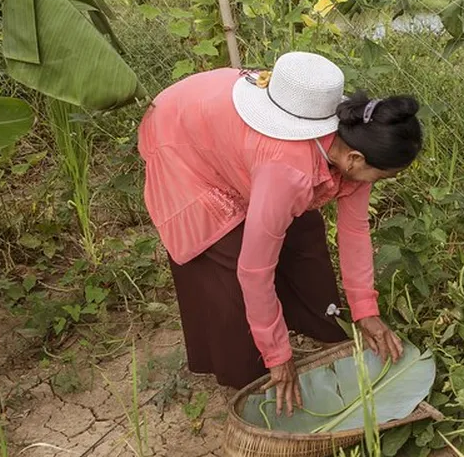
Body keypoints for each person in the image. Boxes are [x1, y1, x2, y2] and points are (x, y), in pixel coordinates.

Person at [137, 51, 421, 416]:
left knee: (304, 233)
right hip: (179, 132)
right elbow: (253, 271)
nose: (379, 183)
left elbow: (354, 231)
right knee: (228, 258)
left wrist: (365, 309)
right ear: (354, 160)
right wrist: (277, 354)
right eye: (383, 177)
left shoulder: (358, 138)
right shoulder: (287, 171)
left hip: (229, 125)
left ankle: (322, 330)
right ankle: (251, 378)